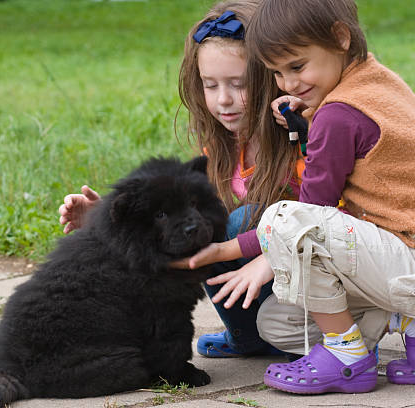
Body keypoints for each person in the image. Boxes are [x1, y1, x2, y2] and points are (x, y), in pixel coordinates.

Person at [199, 0, 415, 396]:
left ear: (340, 37)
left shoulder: (339, 115)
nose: (287, 84)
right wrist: (314, 114)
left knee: (284, 218)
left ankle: (346, 356)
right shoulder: (373, 78)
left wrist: (229, 250)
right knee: (276, 323)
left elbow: (305, 216)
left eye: (297, 66)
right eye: (277, 72)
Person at [59, 0, 304, 359]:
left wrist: (267, 259)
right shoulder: (220, 147)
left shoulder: (299, 139)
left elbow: (330, 217)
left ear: (271, 78)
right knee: (203, 223)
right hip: (255, 273)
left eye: (239, 84)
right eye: (210, 85)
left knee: (242, 218)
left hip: (306, 271)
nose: (223, 100)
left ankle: (313, 333)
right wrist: (109, 218)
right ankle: (248, 335)